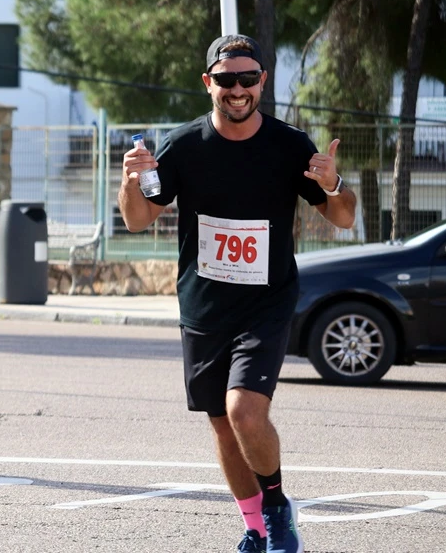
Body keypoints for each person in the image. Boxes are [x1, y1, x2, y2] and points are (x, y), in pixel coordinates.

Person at [118, 34, 355, 553]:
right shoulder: (183, 146)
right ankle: (254, 526)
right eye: (226, 80)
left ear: (262, 82)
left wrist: (336, 185)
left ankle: (276, 509)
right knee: (224, 428)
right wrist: (130, 183)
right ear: (209, 84)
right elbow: (137, 221)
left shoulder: (290, 146)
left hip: (266, 304)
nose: (238, 89)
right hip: (203, 308)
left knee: (245, 410)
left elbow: (344, 217)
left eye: (248, 78)